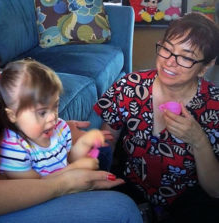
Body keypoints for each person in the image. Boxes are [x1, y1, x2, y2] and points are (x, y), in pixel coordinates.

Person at [0, 0, 143, 222]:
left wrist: (50, 126)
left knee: (100, 151)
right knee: (121, 209)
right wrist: (63, 183)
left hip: (13, 175)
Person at [94, 12, 219, 223]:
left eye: (187, 57)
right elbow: (106, 143)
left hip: (190, 199)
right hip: (132, 187)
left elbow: (215, 190)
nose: (170, 62)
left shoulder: (214, 107)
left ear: (205, 67)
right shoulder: (129, 86)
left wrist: (198, 140)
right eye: (167, 49)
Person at [0, 59, 102, 179]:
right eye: (42, 112)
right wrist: (74, 168)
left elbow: (68, 158)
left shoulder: (60, 127)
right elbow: (37, 187)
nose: (53, 117)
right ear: (13, 116)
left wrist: (83, 144)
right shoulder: (14, 148)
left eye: (55, 106)